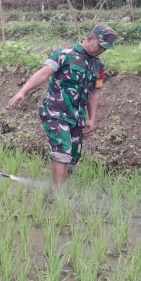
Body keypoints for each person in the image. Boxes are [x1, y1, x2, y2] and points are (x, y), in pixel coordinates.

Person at [8, 24, 117, 186]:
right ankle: (59, 195)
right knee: (62, 150)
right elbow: (43, 73)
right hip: (55, 112)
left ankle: (61, 187)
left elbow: (94, 92)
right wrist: (22, 92)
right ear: (91, 37)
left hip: (77, 116)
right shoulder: (64, 54)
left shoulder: (98, 65)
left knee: (73, 156)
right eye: (100, 45)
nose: (102, 50)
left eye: (106, 48)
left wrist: (92, 118)